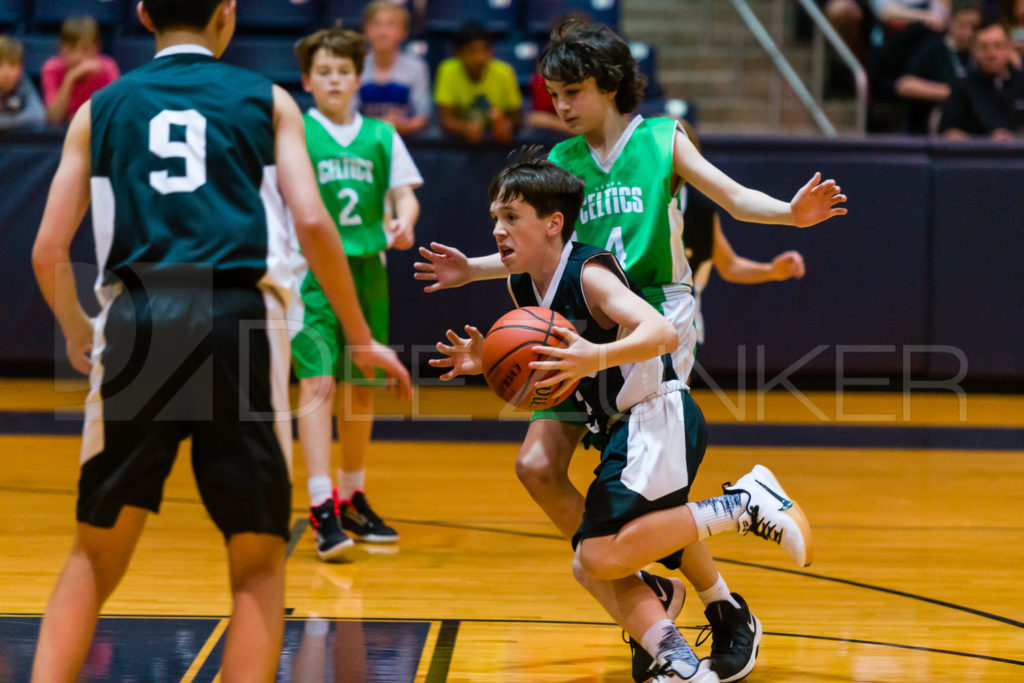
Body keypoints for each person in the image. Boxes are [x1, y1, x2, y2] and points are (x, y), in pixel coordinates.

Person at [414, 20, 845, 682]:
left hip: (648, 322)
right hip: (579, 326)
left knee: (643, 494)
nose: (561, 105)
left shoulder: (660, 139)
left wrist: (789, 213)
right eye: (553, 92)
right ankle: (642, 574)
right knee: (539, 467)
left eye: (573, 91)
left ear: (611, 85)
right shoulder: (561, 164)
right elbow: (537, 248)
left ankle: (705, 596)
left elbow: (730, 196)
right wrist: (470, 271)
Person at [29, 1, 410, 680]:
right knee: (258, 563)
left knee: (93, 554)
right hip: (238, 316)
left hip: (138, 318)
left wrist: (78, 329)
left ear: (144, 14)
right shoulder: (266, 100)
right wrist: (357, 335)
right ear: (227, 14)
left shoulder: (101, 108)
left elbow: (48, 249)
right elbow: (315, 222)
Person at [291, 27, 422, 561]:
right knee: (317, 384)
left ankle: (352, 494)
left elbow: (404, 196)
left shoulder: (381, 135)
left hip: (368, 271)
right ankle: (321, 503)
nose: (334, 79)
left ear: (358, 77)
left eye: (343, 71)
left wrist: (404, 223)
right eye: (323, 71)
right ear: (307, 81)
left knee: (359, 388)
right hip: (311, 273)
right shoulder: (295, 133)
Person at [676, 122, 806, 357]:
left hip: (680, 319)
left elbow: (730, 266)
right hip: (633, 317)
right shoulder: (628, 203)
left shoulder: (700, 207)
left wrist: (773, 271)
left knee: (672, 392)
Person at [894, 3, 980, 133]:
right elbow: (904, 85)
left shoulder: (981, 53)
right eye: (962, 26)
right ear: (950, 23)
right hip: (928, 127)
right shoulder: (933, 48)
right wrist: (951, 93)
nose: (968, 32)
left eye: (973, 27)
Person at [434, 21, 521, 144]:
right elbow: (445, 119)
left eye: (485, 50)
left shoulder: (505, 72)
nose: (480, 57)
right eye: (472, 51)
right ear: (457, 53)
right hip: (461, 146)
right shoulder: (447, 70)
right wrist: (465, 128)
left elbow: (517, 118)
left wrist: (507, 126)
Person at [355, 0, 431, 137]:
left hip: (407, 142)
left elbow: (423, 118)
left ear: (404, 31)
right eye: (376, 24)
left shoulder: (417, 67)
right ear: (365, 30)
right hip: (363, 143)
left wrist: (402, 125)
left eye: (391, 24)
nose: (383, 31)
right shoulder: (354, 66)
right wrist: (384, 124)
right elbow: (346, 117)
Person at [940, 20, 1024, 138]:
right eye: (984, 47)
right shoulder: (962, 86)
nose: (992, 54)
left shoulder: (1021, 82)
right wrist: (985, 142)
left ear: (1008, 47)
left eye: (998, 46)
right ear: (973, 50)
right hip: (978, 154)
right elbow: (948, 132)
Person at [41, 15, 120, 124]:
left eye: (85, 49)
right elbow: (54, 118)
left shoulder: (107, 68)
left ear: (96, 48)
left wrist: (78, 119)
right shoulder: (51, 69)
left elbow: (114, 114)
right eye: (71, 49)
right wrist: (69, 78)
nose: (77, 56)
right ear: (60, 47)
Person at [0, 35, 46, 132]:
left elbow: (38, 114)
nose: (6, 73)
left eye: (12, 64)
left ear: (21, 68)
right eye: (0, 65)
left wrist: (5, 122)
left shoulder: (23, 81)